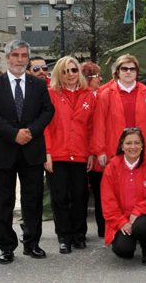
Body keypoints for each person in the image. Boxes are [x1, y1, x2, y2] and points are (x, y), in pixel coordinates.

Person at [0, 39, 55, 264]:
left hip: (31, 151)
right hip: (1, 152)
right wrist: (14, 134)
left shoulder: (39, 85)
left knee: (32, 201)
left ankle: (32, 243)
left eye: (23, 55)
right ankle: (6, 247)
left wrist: (30, 131)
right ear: (7, 57)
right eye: (15, 55)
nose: (19, 60)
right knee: (3, 202)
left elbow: (48, 111)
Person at [43, 56, 96, 253]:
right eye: (65, 71)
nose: (70, 75)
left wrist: (91, 152)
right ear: (59, 73)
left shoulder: (89, 95)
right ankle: (64, 236)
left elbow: (92, 126)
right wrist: (47, 152)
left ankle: (79, 234)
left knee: (80, 196)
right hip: (58, 154)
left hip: (81, 154)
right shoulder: (50, 94)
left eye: (74, 70)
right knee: (60, 197)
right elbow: (45, 127)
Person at [101, 128, 146, 264]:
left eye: (137, 143)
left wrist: (139, 210)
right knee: (123, 250)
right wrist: (121, 222)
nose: (133, 147)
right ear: (122, 146)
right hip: (121, 218)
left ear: (142, 146)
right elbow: (108, 201)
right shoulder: (111, 167)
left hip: (144, 216)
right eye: (128, 143)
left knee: (142, 226)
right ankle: (131, 240)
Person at [92, 55, 146, 169]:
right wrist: (100, 151)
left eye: (132, 69)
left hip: (143, 151)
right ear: (118, 72)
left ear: (137, 72)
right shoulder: (105, 95)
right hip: (115, 151)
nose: (128, 72)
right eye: (124, 69)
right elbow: (99, 125)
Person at [81, 61, 106, 238]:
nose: (100, 79)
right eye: (98, 76)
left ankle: (98, 229)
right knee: (100, 194)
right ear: (89, 78)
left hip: (91, 152)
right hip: (91, 153)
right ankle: (102, 229)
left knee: (95, 193)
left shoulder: (96, 95)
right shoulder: (92, 97)